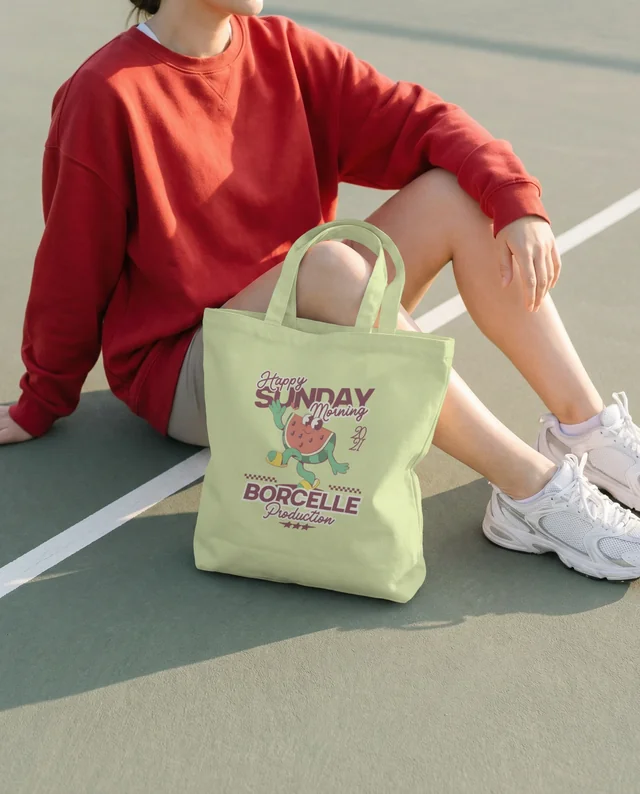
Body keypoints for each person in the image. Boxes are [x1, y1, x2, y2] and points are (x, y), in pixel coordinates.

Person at [2, 0, 640, 579]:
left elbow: (423, 120)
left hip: (305, 313)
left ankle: (584, 430)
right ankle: (530, 492)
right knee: (329, 266)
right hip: (193, 375)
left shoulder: (282, 50)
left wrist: (513, 199)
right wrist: (42, 399)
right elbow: (70, 270)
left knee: (459, 195)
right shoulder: (105, 94)